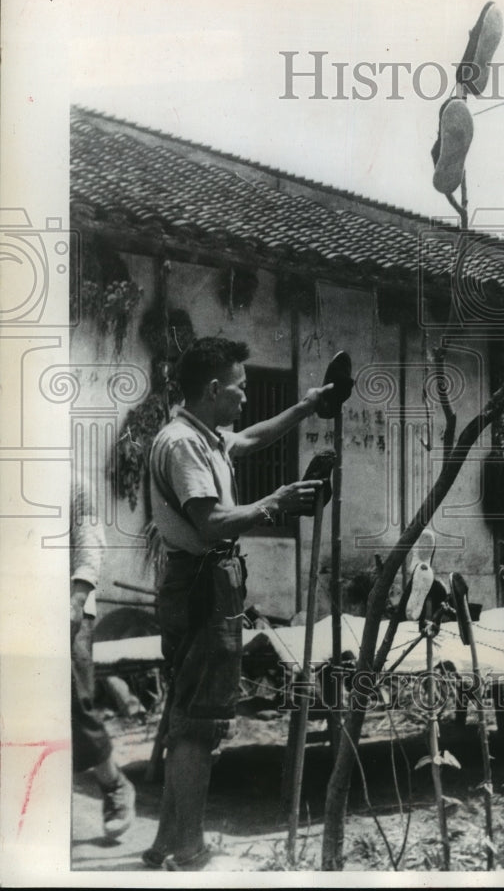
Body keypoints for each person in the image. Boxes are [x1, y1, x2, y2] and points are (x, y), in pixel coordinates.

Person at [144, 336, 330, 871]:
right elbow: (211, 521)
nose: (246, 397)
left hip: (201, 582)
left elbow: (249, 438)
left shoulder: (203, 437)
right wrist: (274, 502)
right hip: (202, 585)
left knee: (186, 713)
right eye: (241, 387)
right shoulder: (182, 445)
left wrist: (308, 404)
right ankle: (190, 849)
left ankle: (165, 845)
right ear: (212, 388)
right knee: (199, 722)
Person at [71, 478, 137, 839]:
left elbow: (89, 545)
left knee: (72, 704)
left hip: (69, 603)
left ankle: (114, 786)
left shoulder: (73, 483)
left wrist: (76, 600)